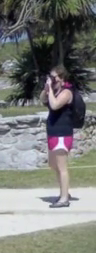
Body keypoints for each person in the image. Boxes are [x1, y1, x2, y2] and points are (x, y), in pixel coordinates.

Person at [44, 67, 79, 208]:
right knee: (53, 164)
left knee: (62, 167)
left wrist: (51, 92)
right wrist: (46, 89)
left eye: (54, 77)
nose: (53, 79)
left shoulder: (66, 92)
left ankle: (64, 198)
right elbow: (43, 100)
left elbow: (55, 105)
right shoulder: (55, 91)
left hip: (62, 133)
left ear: (62, 78)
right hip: (53, 132)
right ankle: (64, 191)